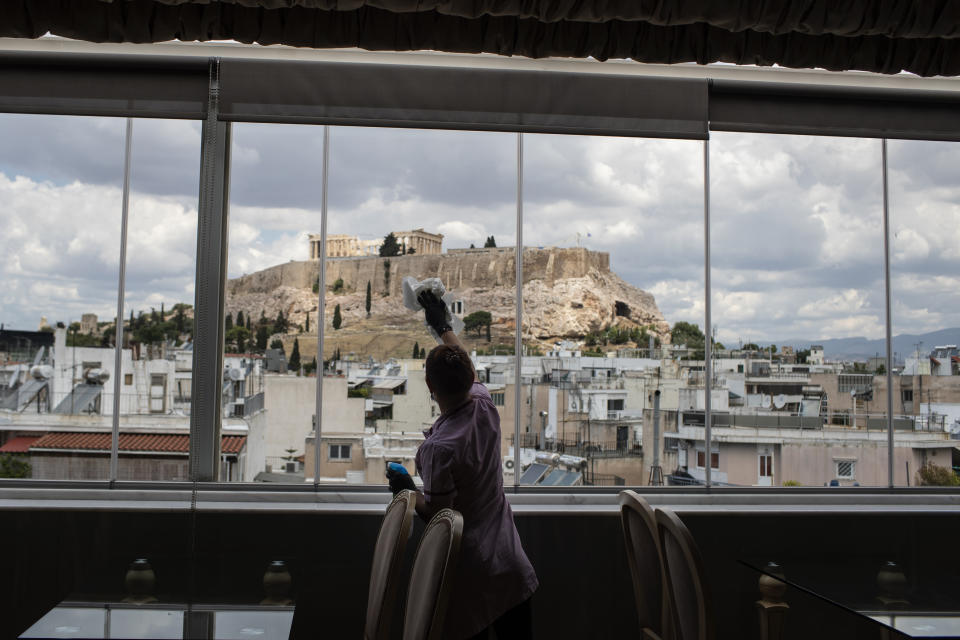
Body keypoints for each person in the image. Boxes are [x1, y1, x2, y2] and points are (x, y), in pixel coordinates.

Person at [387, 290, 538, 640]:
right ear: (471, 378)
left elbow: (440, 516)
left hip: (471, 570)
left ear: (429, 386)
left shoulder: (439, 449)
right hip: (508, 559)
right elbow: (465, 363)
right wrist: (443, 327)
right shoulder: (485, 405)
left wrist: (406, 490)